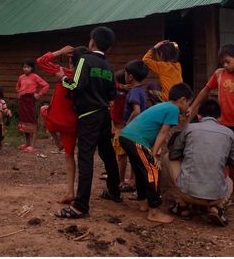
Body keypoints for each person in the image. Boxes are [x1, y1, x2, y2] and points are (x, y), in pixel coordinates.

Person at [56, 25, 121, 219]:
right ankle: (114, 192)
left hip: (88, 115)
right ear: (108, 48)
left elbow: (76, 84)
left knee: (85, 157)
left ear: (91, 42)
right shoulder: (109, 66)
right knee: (107, 154)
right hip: (103, 114)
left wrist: (62, 79)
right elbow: (112, 93)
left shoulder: (85, 60)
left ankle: (80, 206)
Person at [189, 43, 234, 207]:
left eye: (228, 61)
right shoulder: (219, 74)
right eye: (223, 63)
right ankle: (233, 192)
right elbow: (205, 90)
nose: (225, 65)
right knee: (230, 159)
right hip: (225, 123)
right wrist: (193, 107)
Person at [118, 82, 194, 224]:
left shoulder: (165, 106)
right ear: (183, 100)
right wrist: (153, 155)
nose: (188, 107)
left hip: (127, 136)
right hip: (136, 140)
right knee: (153, 169)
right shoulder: (173, 109)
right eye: (188, 103)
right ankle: (154, 211)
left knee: (141, 171)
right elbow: (163, 133)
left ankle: (143, 203)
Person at [166, 99, 234, 225]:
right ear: (219, 118)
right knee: (228, 181)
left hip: (187, 193)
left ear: (199, 115)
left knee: (167, 158)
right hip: (215, 197)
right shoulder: (229, 134)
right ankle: (217, 208)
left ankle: (182, 205)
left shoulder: (189, 128)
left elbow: (174, 154)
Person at [36, 45, 86, 204]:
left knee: (44, 110)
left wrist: (59, 52)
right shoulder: (86, 77)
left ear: (72, 62)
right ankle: (70, 191)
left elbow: (40, 61)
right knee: (69, 156)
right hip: (72, 123)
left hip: (56, 119)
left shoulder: (63, 73)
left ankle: (57, 141)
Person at [119, 59, 150, 191]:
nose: (124, 76)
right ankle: (133, 182)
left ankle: (134, 183)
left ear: (130, 77)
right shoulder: (141, 90)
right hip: (141, 129)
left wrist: (127, 125)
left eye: (125, 74)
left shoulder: (133, 92)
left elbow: (136, 111)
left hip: (134, 130)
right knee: (136, 157)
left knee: (134, 158)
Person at [16, 59, 49, 152]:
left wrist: (39, 94)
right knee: (24, 121)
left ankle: (33, 145)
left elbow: (46, 85)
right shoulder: (21, 77)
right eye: (24, 67)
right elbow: (18, 86)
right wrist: (19, 92)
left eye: (28, 67)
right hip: (23, 100)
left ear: (32, 68)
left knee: (32, 121)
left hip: (30, 100)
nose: (26, 69)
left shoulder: (35, 76)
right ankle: (27, 144)